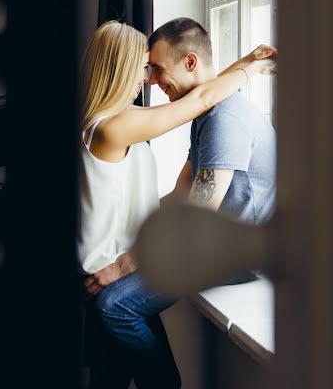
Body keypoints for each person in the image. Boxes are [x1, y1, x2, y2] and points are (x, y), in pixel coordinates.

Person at [78, 20, 275, 389]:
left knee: (116, 341)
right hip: (101, 266)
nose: (150, 79)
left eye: (154, 68)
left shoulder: (217, 117)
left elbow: (202, 97)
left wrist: (246, 65)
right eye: (144, 67)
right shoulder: (113, 126)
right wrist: (246, 68)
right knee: (116, 349)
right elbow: (199, 97)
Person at [149, 17, 277, 285]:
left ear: (190, 62)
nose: (152, 80)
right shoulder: (205, 114)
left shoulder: (223, 118)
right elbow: (182, 191)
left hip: (241, 260)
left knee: (113, 304)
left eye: (158, 69)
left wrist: (132, 257)